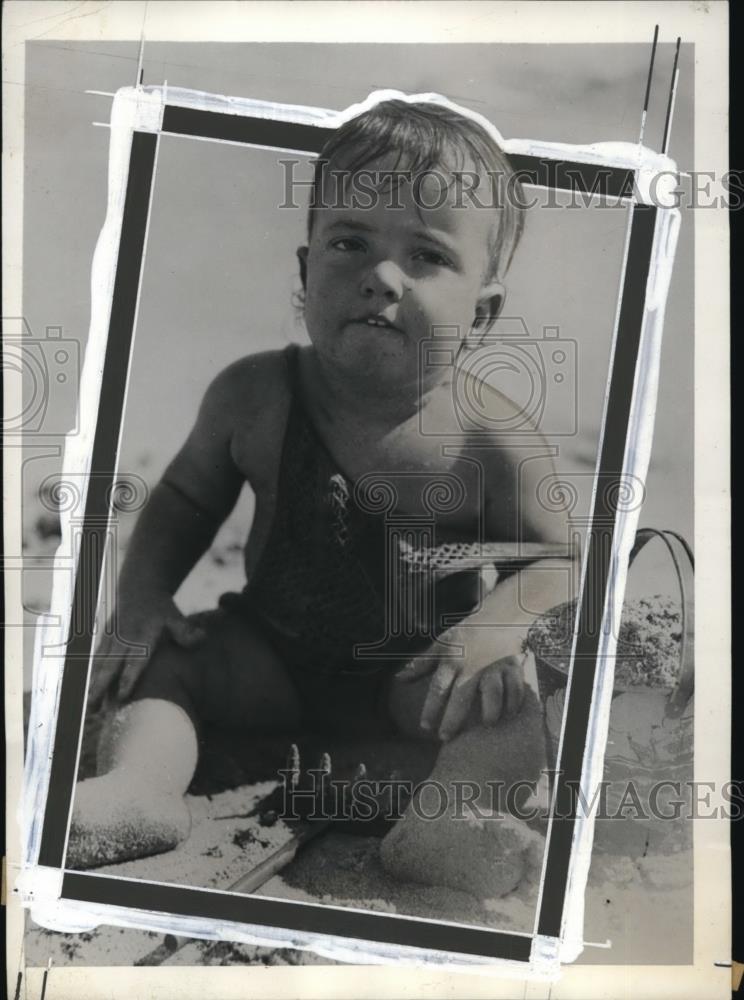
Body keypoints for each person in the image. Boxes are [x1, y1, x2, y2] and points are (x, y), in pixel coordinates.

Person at [69, 96, 575, 892]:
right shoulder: (256, 395)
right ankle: (142, 788)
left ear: (482, 314)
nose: (380, 277)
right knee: (166, 657)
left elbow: (559, 556)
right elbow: (184, 502)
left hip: (415, 683)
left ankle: (446, 821)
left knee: (511, 703)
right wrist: (141, 596)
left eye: (426, 257)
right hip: (268, 656)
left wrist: (496, 627)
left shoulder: (490, 435)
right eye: (350, 243)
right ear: (305, 273)